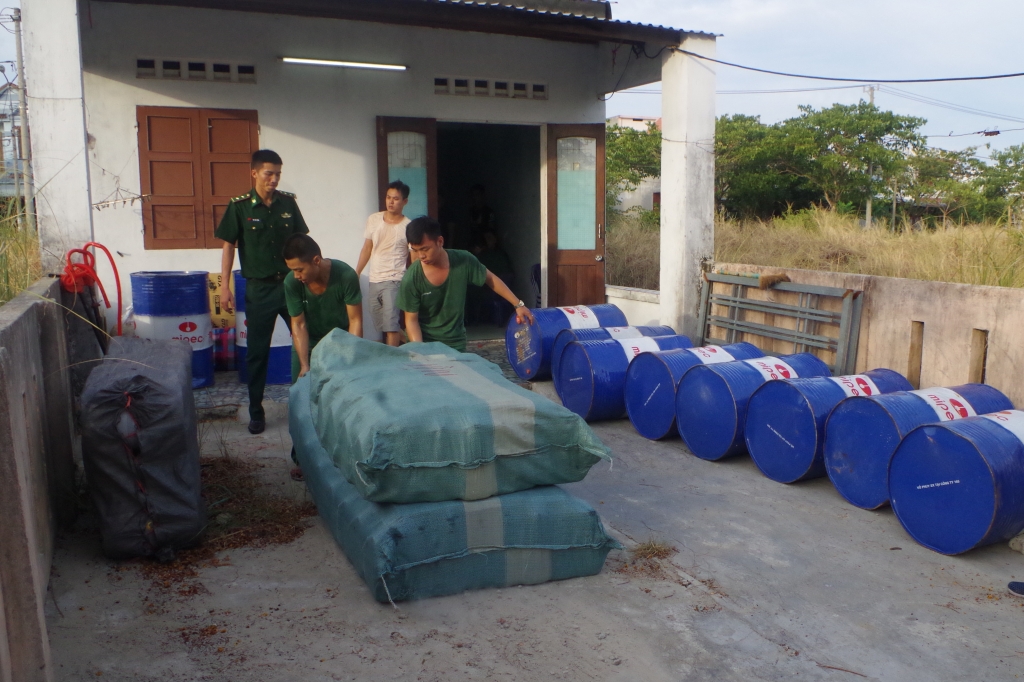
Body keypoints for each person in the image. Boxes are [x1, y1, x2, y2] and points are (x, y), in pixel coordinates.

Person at [216, 149, 308, 435]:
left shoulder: (288, 204)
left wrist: (307, 275)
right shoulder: (240, 206)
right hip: (258, 289)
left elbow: (301, 240)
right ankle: (257, 412)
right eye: (269, 173)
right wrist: (224, 287)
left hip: (290, 285)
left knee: (307, 342)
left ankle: (309, 401)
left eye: (278, 174)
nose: (274, 179)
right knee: (257, 352)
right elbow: (229, 245)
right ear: (254, 172)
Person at [397, 216, 534, 352]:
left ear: (440, 241)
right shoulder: (412, 278)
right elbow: (411, 321)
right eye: (415, 250)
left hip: (455, 343)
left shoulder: (464, 260)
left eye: (425, 249)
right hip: (425, 343)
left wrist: (518, 304)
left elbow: (491, 279)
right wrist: (422, 353)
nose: (421, 256)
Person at [282, 234, 363, 380]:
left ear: (316, 261)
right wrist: (305, 364)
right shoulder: (292, 283)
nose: (296, 276)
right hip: (308, 344)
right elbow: (298, 324)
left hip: (340, 342)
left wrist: (350, 357)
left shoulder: (346, 276)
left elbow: (355, 320)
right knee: (301, 391)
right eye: (292, 270)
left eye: (299, 270)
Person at [355, 181, 411, 347]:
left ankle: (391, 360)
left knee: (391, 324)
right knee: (380, 320)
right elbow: (367, 248)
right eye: (388, 197)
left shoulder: (408, 226)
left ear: (404, 201)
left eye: (395, 198)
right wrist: (357, 272)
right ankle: (414, 341)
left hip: (395, 278)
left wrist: (413, 281)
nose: (390, 202)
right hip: (375, 278)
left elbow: (414, 257)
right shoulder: (374, 219)